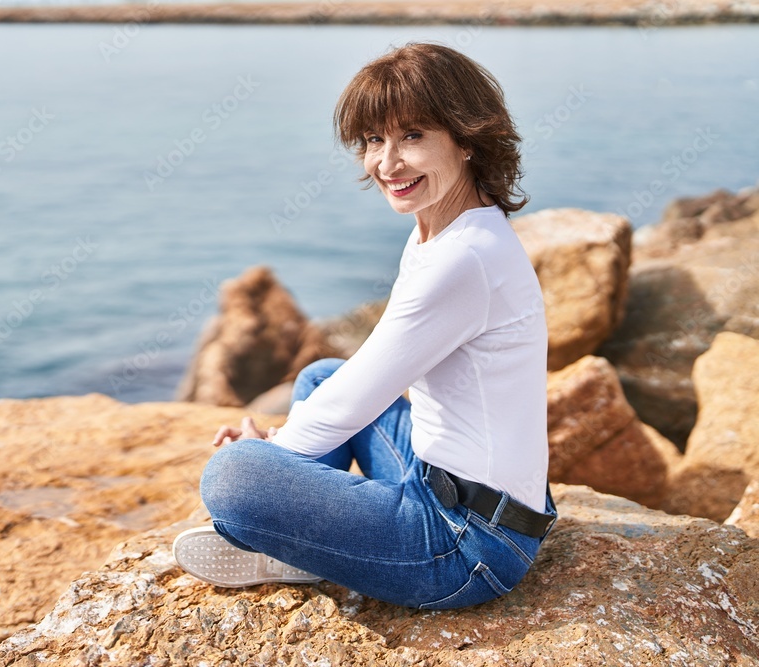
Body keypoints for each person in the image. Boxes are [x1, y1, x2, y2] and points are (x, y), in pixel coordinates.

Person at [172, 41, 557, 610]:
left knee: (232, 478)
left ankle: (298, 540)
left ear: (468, 138)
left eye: (413, 136)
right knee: (322, 374)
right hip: (451, 486)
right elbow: (349, 388)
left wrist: (273, 455)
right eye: (374, 140)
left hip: (467, 548)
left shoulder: (463, 259)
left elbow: (358, 398)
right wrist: (284, 451)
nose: (387, 163)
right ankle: (304, 541)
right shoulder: (446, 230)